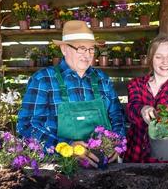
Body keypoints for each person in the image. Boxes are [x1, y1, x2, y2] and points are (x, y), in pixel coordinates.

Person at [17, 20, 126, 167]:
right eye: (81, 48)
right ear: (64, 49)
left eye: (91, 49)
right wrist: (66, 147)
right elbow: (27, 126)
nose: (87, 55)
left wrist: (117, 143)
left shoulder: (102, 79)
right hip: (61, 167)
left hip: (103, 166)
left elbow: (117, 116)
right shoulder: (43, 79)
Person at [124, 35, 168, 163]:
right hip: (135, 155)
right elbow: (132, 111)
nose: (165, 62)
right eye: (158, 56)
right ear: (151, 59)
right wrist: (142, 109)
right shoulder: (136, 84)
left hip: (165, 158)